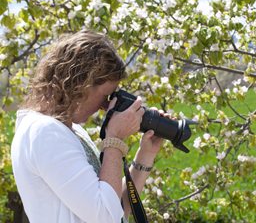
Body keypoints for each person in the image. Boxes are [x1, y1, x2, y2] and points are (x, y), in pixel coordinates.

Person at [11, 30, 163, 223]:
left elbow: (115, 209)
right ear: (80, 84)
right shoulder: (45, 133)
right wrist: (114, 138)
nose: (104, 105)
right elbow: (106, 217)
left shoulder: (69, 131)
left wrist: (146, 154)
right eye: (104, 95)